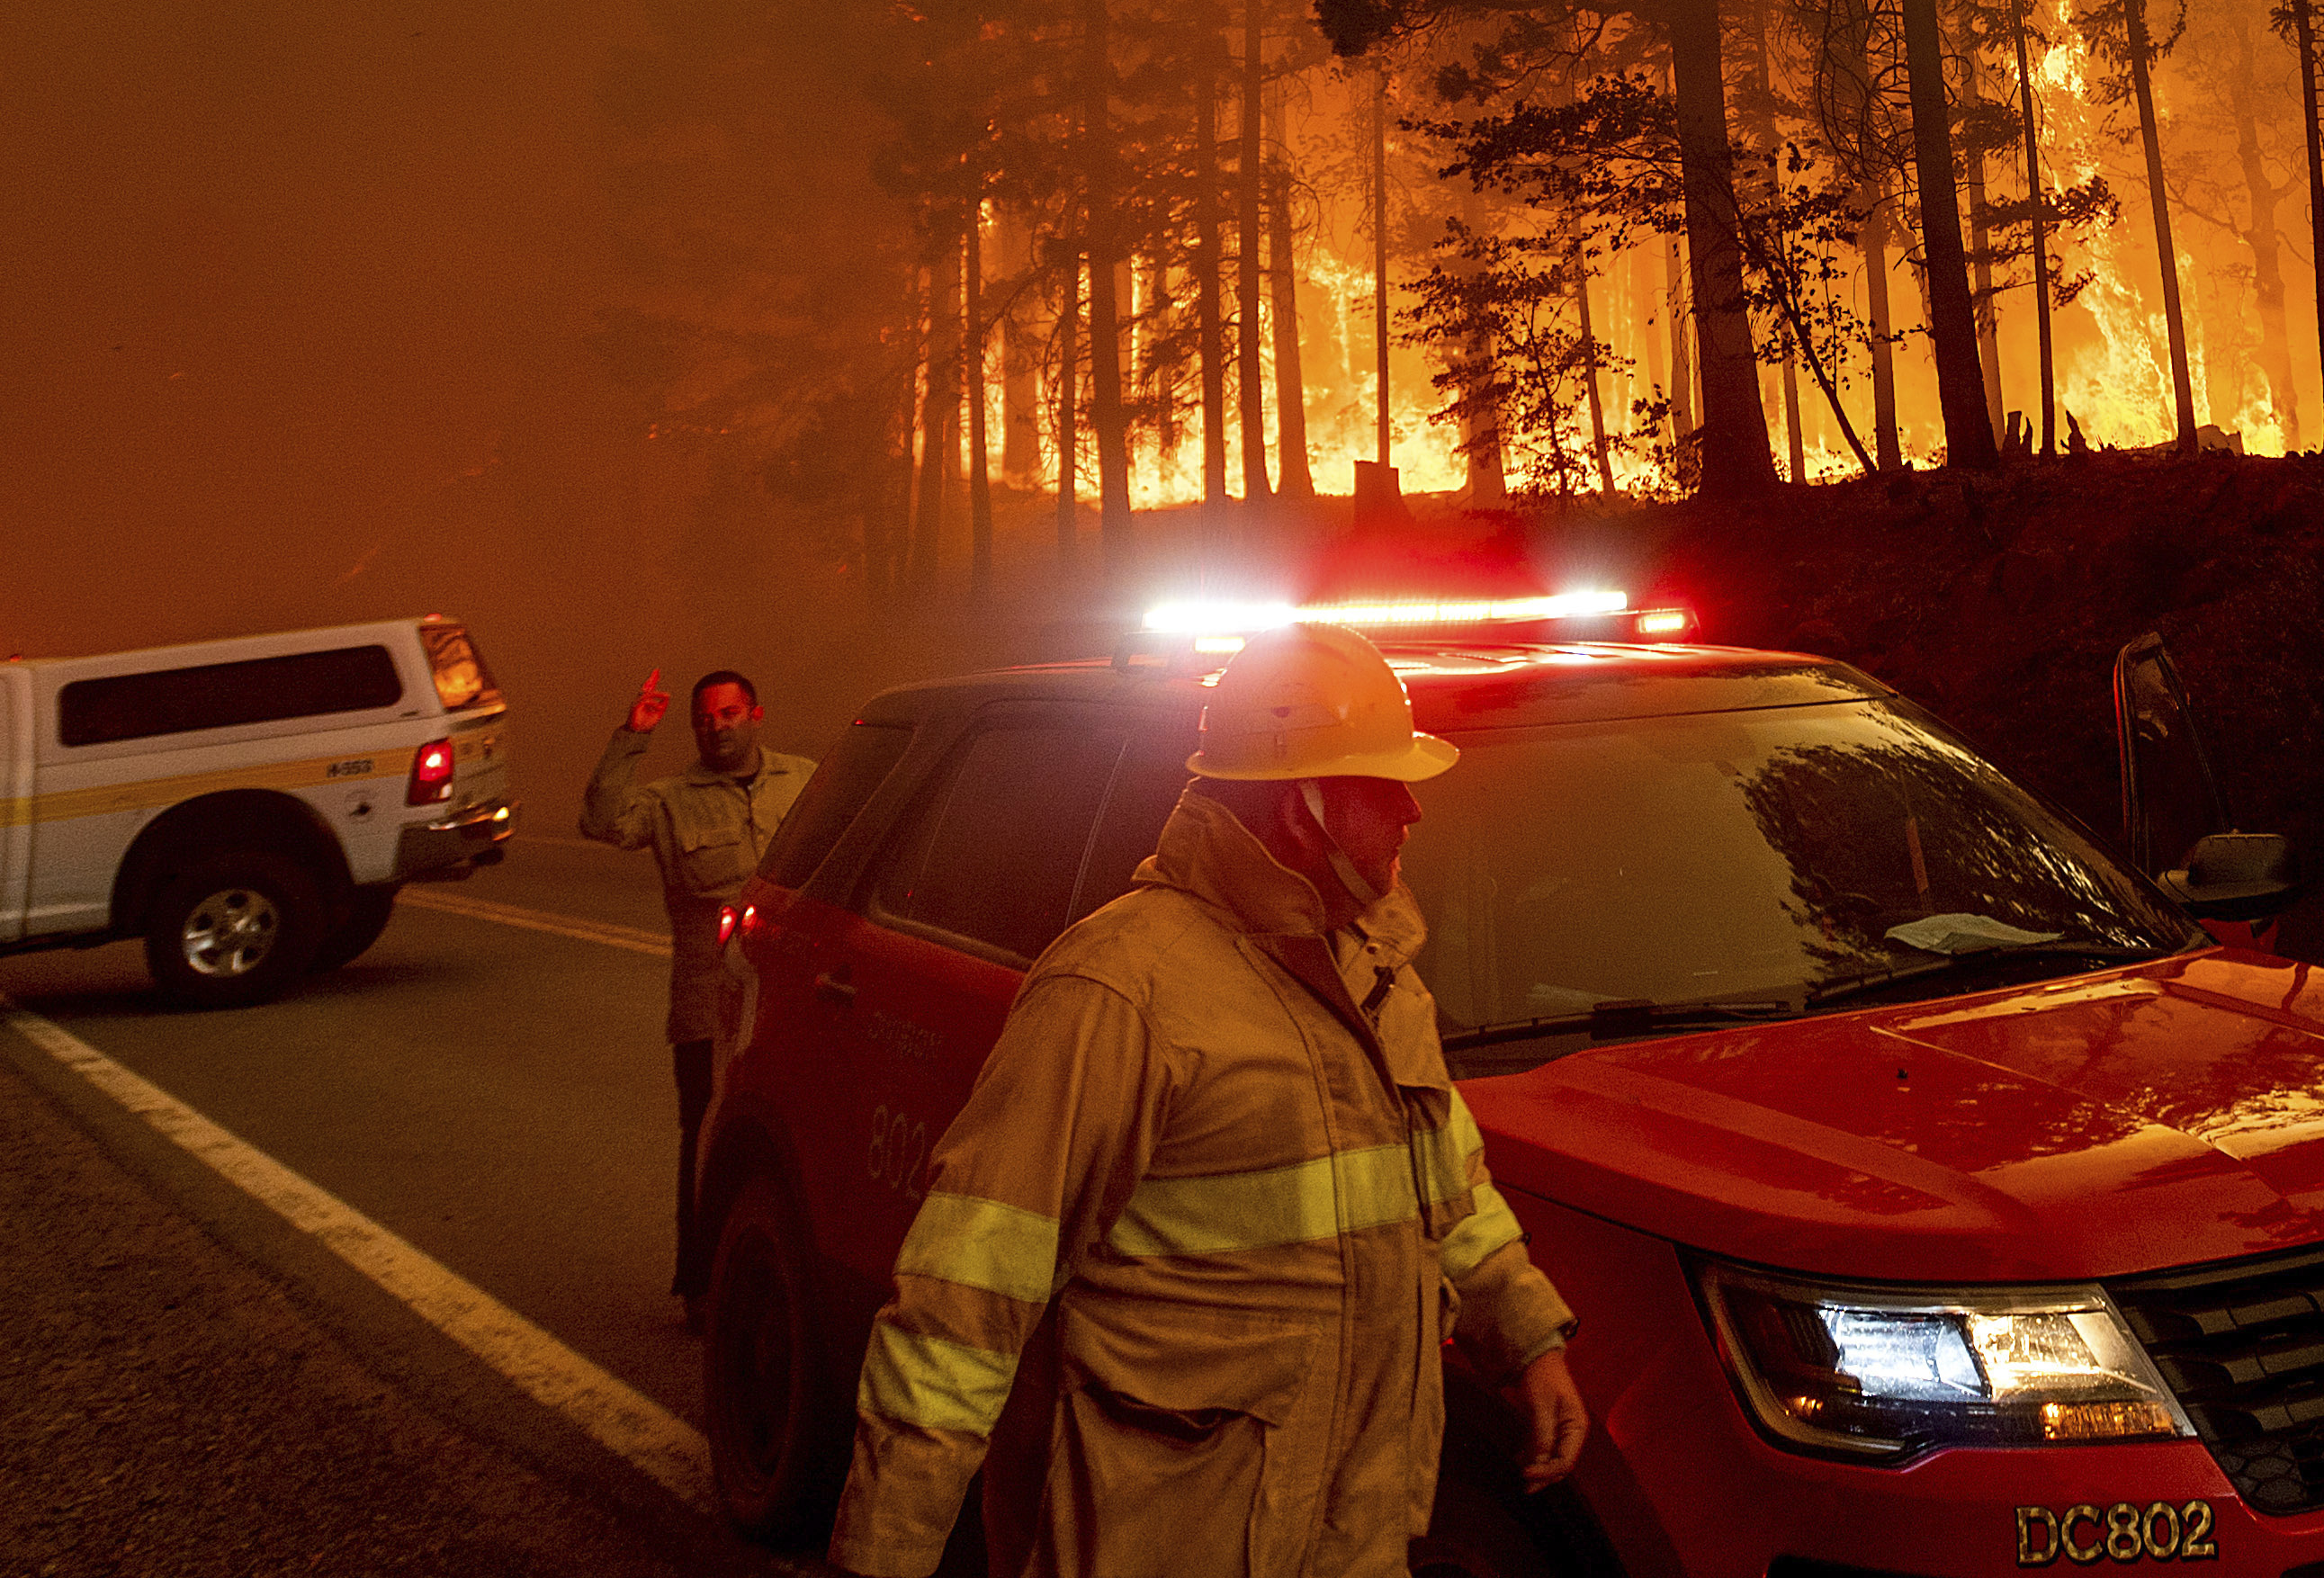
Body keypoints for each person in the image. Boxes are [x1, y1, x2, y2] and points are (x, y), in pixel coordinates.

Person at [824, 622, 1588, 1578]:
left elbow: (1447, 1183)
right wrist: (885, 1552)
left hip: (1344, 1538)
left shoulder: (1376, 970)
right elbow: (961, 1302)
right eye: (1378, 786)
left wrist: (1524, 1338)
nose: (1410, 814)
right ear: (1297, 809)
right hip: (1162, 1537)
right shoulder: (1120, 992)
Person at [584, 664, 815, 1315]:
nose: (716, 728)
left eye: (729, 714)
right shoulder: (668, 800)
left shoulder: (802, 781)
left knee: (799, 1138)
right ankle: (702, 1284)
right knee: (707, 1137)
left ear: (755, 714)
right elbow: (601, 821)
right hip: (706, 1004)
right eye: (704, 719)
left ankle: (787, 1278)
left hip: (789, 997)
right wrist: (632, 736)